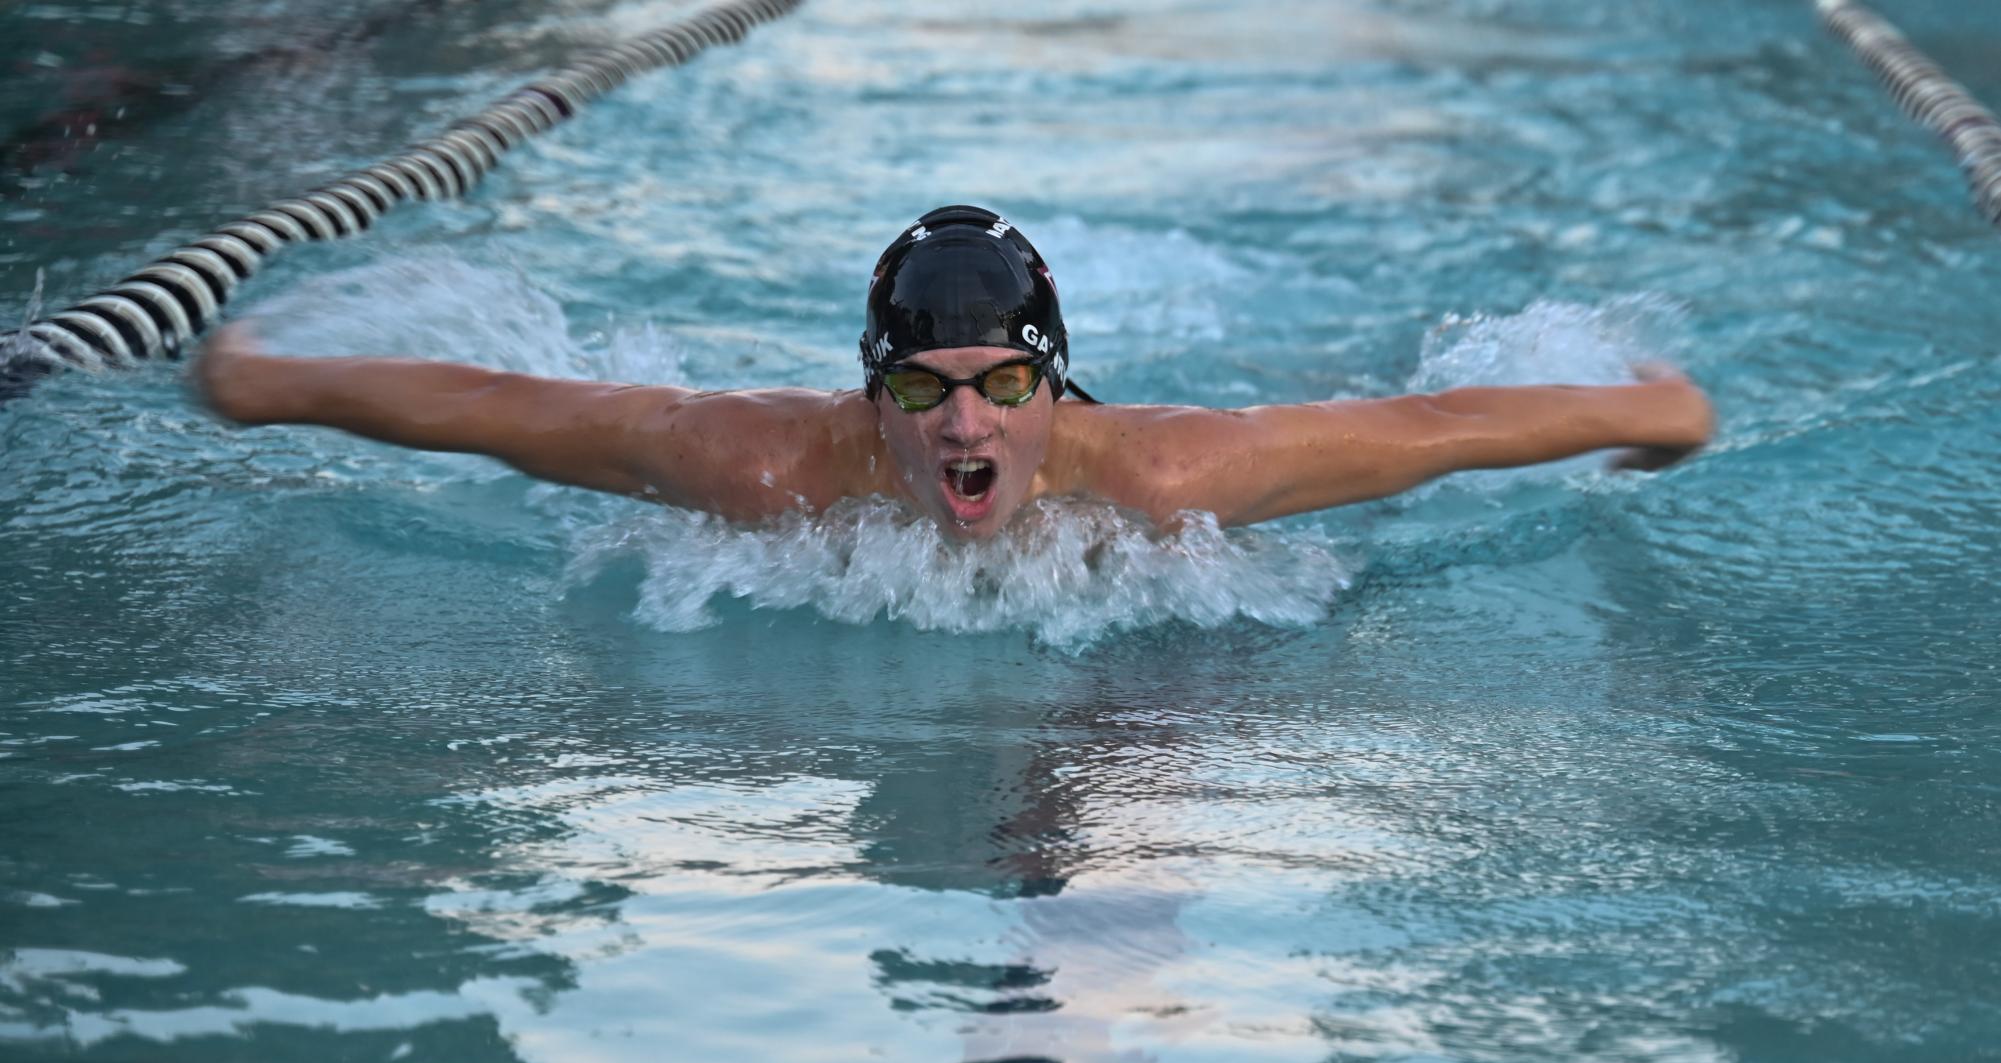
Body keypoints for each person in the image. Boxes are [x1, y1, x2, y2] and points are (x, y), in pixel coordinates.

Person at [195, 204, 1714, 539]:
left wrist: (1656, 411)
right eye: (924, 393)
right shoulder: (766, 463)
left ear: (1062, 392)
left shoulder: (1171, 472)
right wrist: (264, 382)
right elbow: (502, 411)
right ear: (872, 399)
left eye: (1003, 385)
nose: (968, 420)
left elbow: (1431, 429)